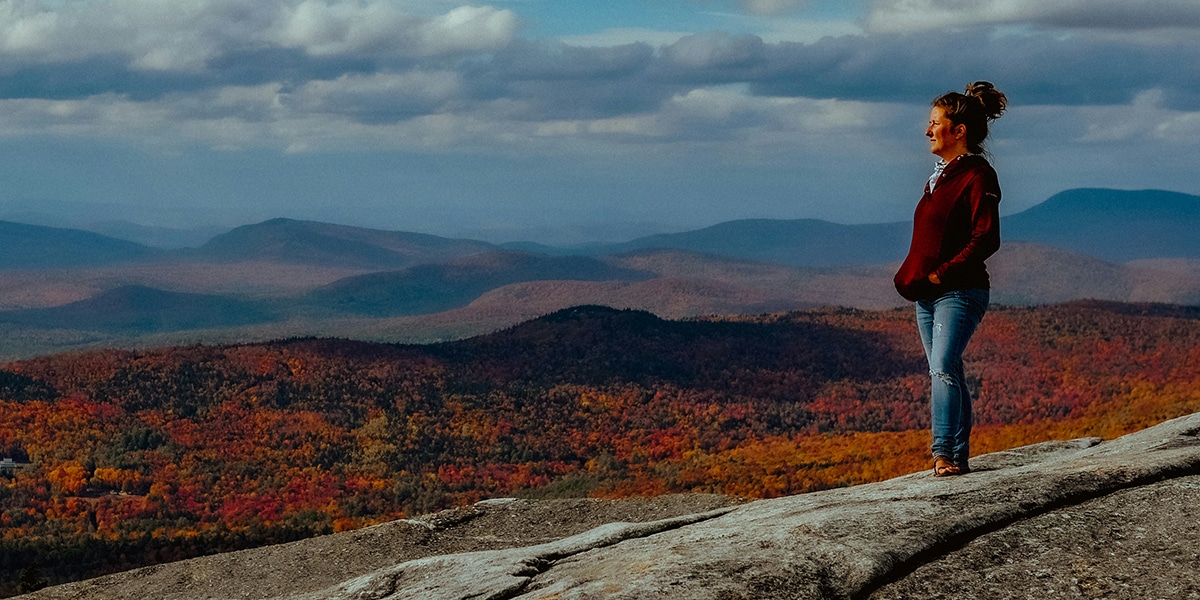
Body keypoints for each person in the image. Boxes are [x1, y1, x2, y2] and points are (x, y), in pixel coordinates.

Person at [893, 81, 1007, 477]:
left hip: (959, 291)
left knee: (942, 367)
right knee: (948, 369)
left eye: (934, 123)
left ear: (958, 131)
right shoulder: (939, 176)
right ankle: (956, 455)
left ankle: (943, 454)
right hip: (929, 293)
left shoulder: (977, 176)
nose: (928, 131)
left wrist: (942, 273)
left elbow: (986, 237)